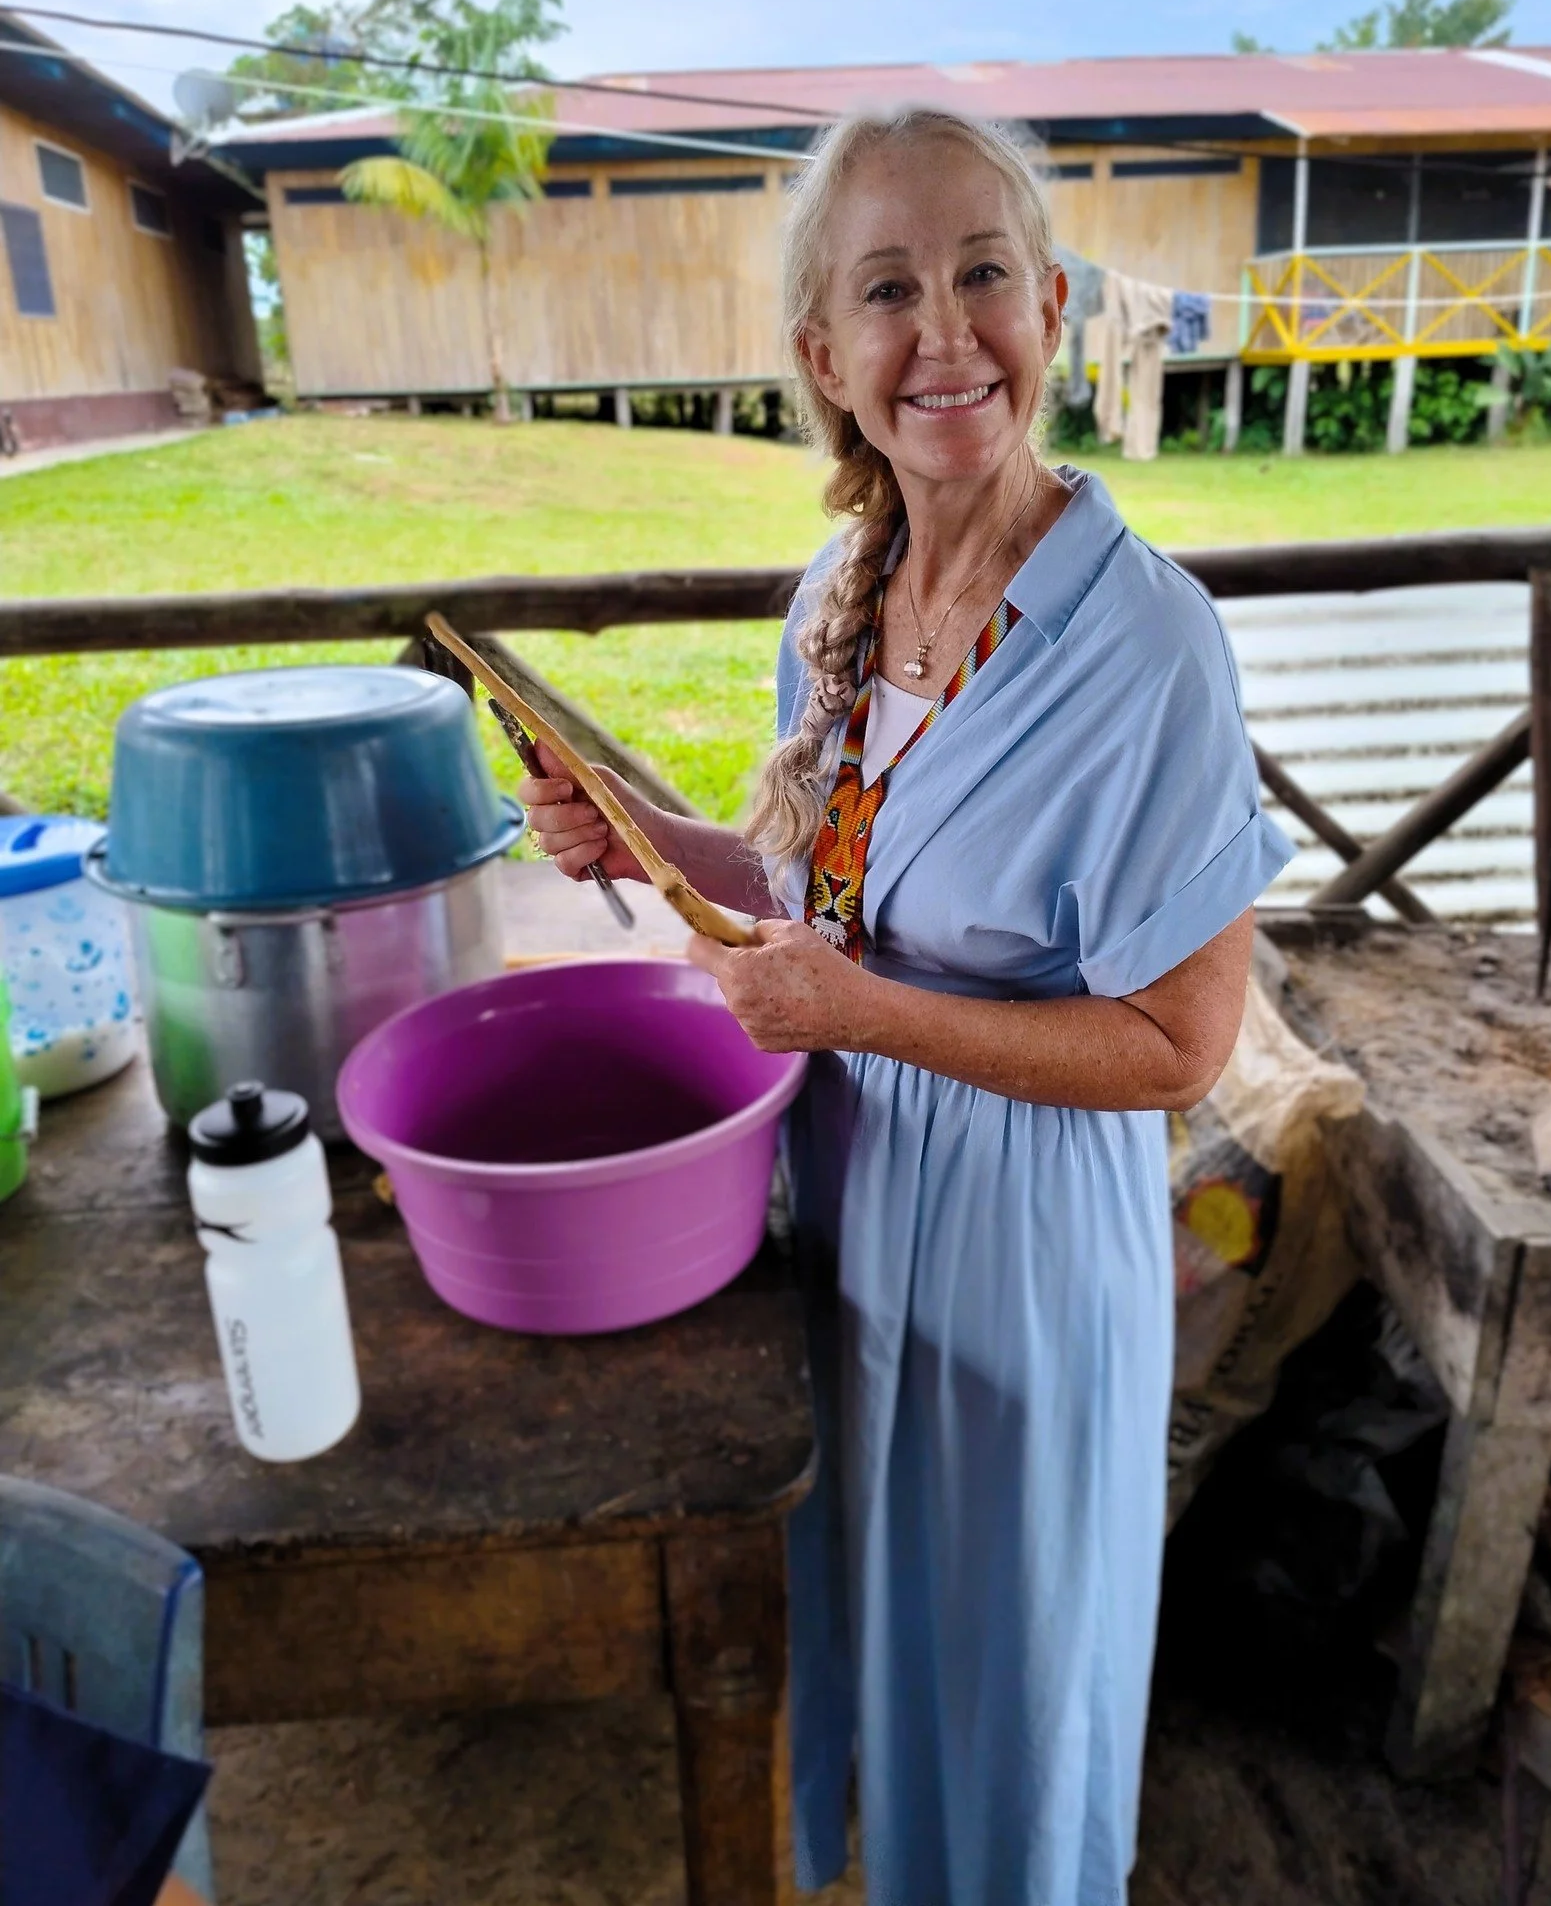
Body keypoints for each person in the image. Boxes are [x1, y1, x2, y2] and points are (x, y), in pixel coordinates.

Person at [522, 107, 1293, 1906]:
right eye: (888, 290)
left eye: (982, 276)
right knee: (870, 1602)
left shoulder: (1144, 649)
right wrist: (640, 837)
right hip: (852, 1205)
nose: (944, 335)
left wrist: (855, 1014)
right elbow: (825, 883)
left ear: (1050, 306)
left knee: (1010, 1667)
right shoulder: (840, 603)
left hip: (1027, 1247)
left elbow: (1177, 1047)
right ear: (822, 357)